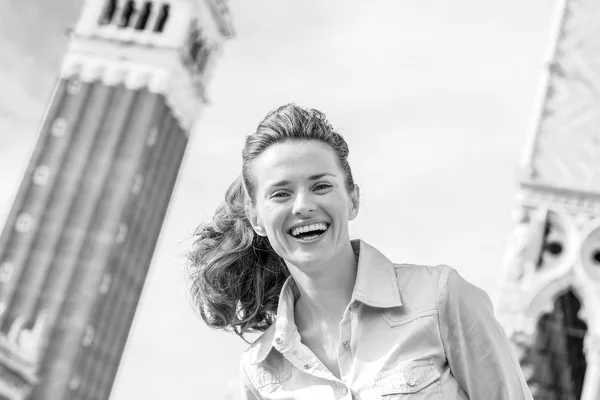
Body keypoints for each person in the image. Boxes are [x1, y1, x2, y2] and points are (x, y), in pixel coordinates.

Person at [187, 104, 533, 399]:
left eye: (321, 186)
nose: (303, 205)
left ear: (352, 199)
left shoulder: (440, 298)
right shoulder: (259, 372)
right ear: (256, 218)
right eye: (281, 194)